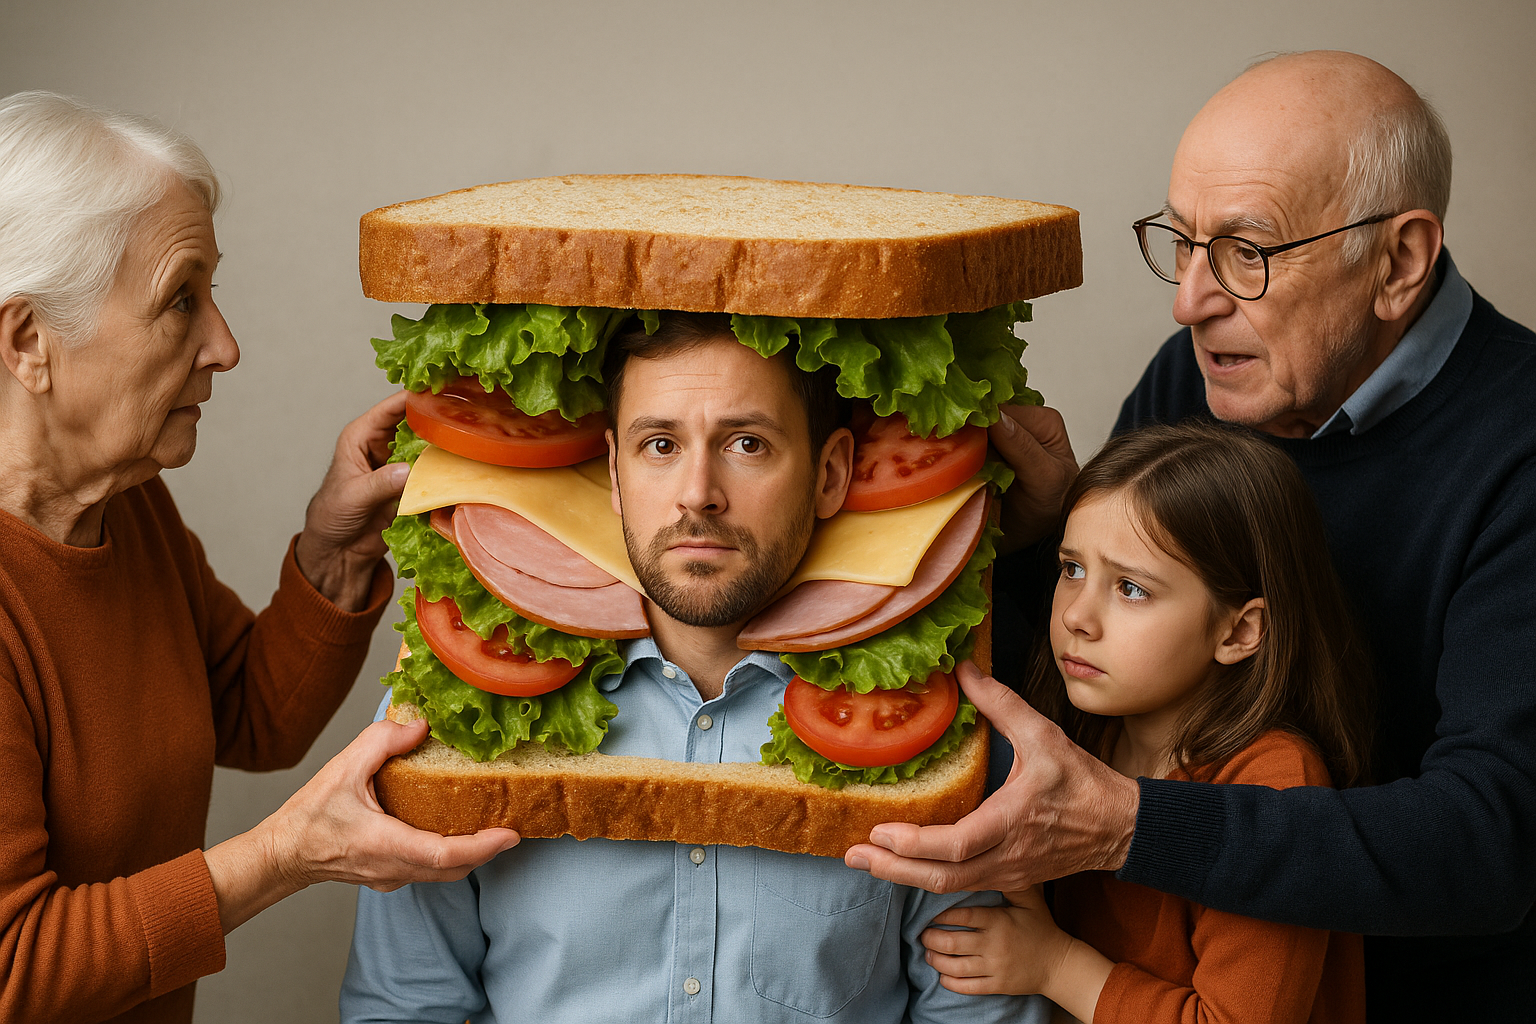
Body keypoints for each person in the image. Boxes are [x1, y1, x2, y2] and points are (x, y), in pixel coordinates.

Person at [844, 50, 1536, 1020]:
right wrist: (1044, 534)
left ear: (1399, 262)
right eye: (1182, 241)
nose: (1188, 301)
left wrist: (1125, 827)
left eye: (1247, 252)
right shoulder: (1205, 371)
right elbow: (1117, 655)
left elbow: (1491, 844)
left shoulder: (1519, 448)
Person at [339, 314, 1046, 1023]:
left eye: (747, 443)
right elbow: (401, 1008)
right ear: (614, 471)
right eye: (660, 445)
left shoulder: (936, 733)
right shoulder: (448, 719)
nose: (698, 493)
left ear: (830, 474)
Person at [0, 91, 518, 1024]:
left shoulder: (131, 507)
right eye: (180, 299)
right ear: (30, 343)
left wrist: (334, 550)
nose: (225, 346)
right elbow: (12, 968)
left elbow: (247, 714)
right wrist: (281, 855)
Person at [921, 422, 1370, 1022]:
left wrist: (1054, 965)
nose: (1078, 615)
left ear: (1239, 631)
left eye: (1131, 588)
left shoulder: (1274, 781)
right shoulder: (1086, 733)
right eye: (1072, 569)